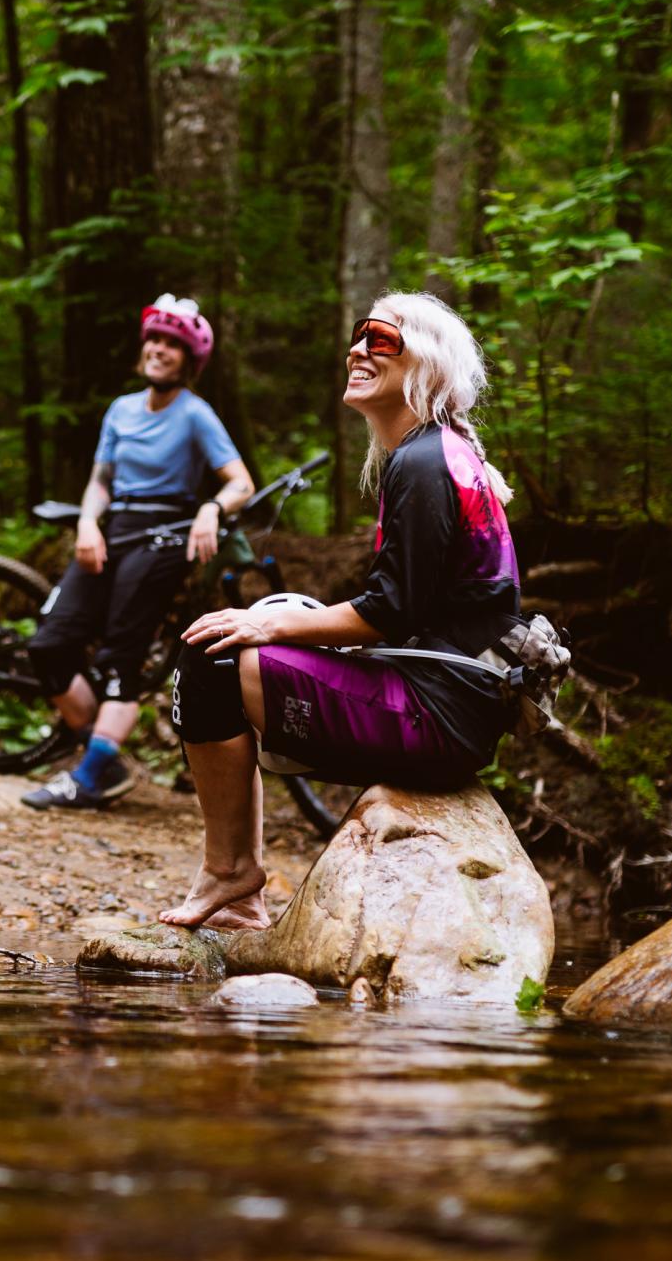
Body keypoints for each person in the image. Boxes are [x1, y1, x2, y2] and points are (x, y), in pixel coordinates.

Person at [160, 291, 522, 931]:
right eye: (359, 337)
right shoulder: (437, 452)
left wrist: (266, 622)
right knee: (247, 630)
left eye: (381, 339)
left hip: (435, 715)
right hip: (451, 704)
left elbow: (389, 611)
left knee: (209, 658)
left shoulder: (425, 461)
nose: (357, 350)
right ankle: (238, 884)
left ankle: (231, 876)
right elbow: (410, 611)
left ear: (426, 364)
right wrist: (280, 619)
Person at [21, 294, 255, 812]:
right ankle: (103, 760)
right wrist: (87, 523)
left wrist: (212, 509)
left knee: (119, 658)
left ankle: (86, 777)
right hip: (113, 528)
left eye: (173, 344)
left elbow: (240, 482)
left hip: (165, 534)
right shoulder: (121, 410)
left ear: (189, 359)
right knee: (49, 645)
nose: (159, 349)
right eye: (154, 339)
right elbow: (100, 482)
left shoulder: (196, 415)